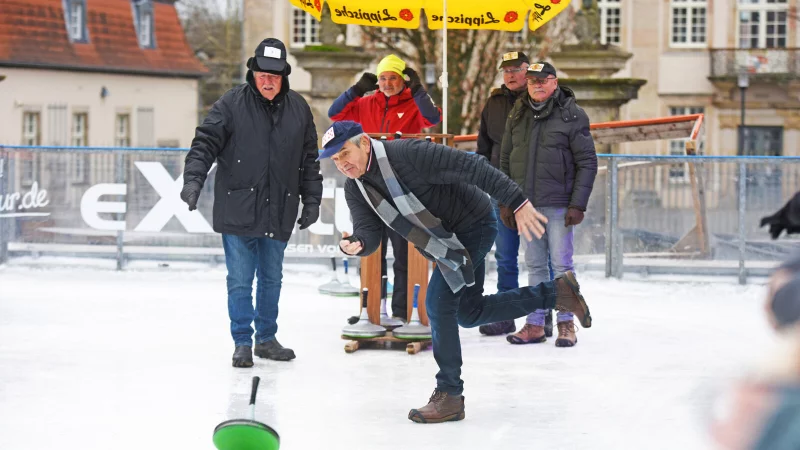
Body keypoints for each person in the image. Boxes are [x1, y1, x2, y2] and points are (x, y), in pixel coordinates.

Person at [320, 120, 593, 423]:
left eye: (345, 153)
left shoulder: (409, 154)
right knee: (468, 312)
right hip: (444, 241)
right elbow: (368, 231)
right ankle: (558, 293)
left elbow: (473, 166)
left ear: (365, 143)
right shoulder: (356, 188)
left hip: (473, 224)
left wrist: (516, 201)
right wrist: (356, 243)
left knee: (437, 303)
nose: (342, 164)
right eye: (335, 160)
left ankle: (449, 394)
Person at [180, 38, 322, 368]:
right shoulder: (230, 105)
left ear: (284, 76)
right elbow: (204, 145)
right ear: (252, 72)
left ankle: (266, 339)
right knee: (241, 280)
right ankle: (242, 342)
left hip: (280, 208)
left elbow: (309, 160)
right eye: (262, 74)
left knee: (272, 279)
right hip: (238, 208)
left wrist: (312, 200)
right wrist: (193, 180)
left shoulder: (299, 109)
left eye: (274, 75)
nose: (268, 81)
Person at [329, 54, 441, 322]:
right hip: (370, 185)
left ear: (402, 80)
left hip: (402, 186)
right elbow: (335, 113)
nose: (388, 83)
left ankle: (403, 313)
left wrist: (417, 90)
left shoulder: (413, 102)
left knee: (403, 253)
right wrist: (355, 90)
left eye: (393, 78)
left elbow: (432, 118)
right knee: (372, 251)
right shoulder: (366, 102)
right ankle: (372, 311)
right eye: (383, 78)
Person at [499, 61, 598, 347]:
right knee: (534, 266)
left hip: (558, 205)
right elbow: (505, 159)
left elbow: (587, 162)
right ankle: (534, 324)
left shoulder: (571, 115)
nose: (537, 85)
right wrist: (508, 201)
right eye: (532, 81)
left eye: (543, 80)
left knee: (561, 265)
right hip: (525, 206)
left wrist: (577, 204)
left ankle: (566, 324)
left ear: (554, 82)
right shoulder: (518, 114)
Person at [476, 51, 554, 337]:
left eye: (515, 69)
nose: (509, 75)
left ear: (528, 71)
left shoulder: (539, 100)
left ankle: (541, 314)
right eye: (505, 70)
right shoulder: (494, 104)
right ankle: (506, 313)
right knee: (505, 257)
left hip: (535, 192)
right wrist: (482, 178)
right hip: (500, 189)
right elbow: (483, 147)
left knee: (539, 257)